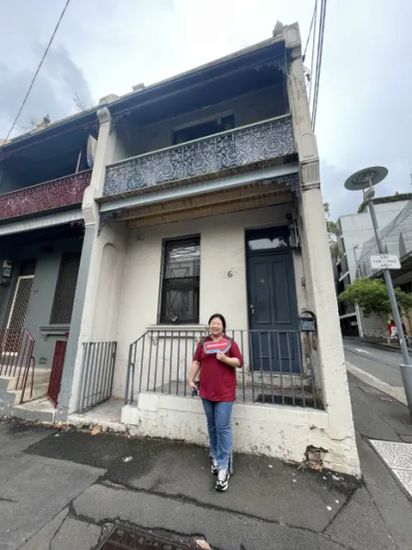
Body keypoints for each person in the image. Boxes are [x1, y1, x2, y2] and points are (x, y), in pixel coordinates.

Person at [188, 313, 243, 492]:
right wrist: (190, 379)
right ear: (209, 326)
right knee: (212, 426)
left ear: (223, 327)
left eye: (218, 323)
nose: (215, 326)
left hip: (225, 393)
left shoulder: (230, 343)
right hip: (206, 392)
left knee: (223, 427)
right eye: (213, 323)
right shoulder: (203, 343)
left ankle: (224, 467)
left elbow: (239, 362)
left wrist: (225, 359)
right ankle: (215, 457)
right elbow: (197, 362)